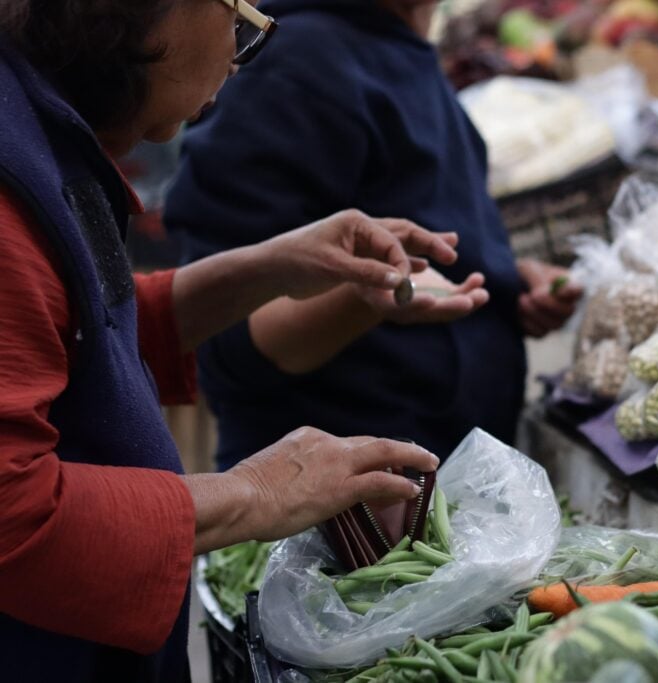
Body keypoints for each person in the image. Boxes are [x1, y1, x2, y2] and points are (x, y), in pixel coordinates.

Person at [0, 1, 481, 680]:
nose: (239, 48)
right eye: (238, 11)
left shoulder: (37, 131)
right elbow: (13, 518)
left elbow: (91, 328)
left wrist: (272, 266)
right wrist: (258, 489)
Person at [165, 0, 584, 470]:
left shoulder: (395, 49)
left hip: (434, 487)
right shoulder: (297, 65)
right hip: (344, 520)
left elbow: (422, 229)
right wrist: (366, 295)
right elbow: (224, 340)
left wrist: (506, 280)